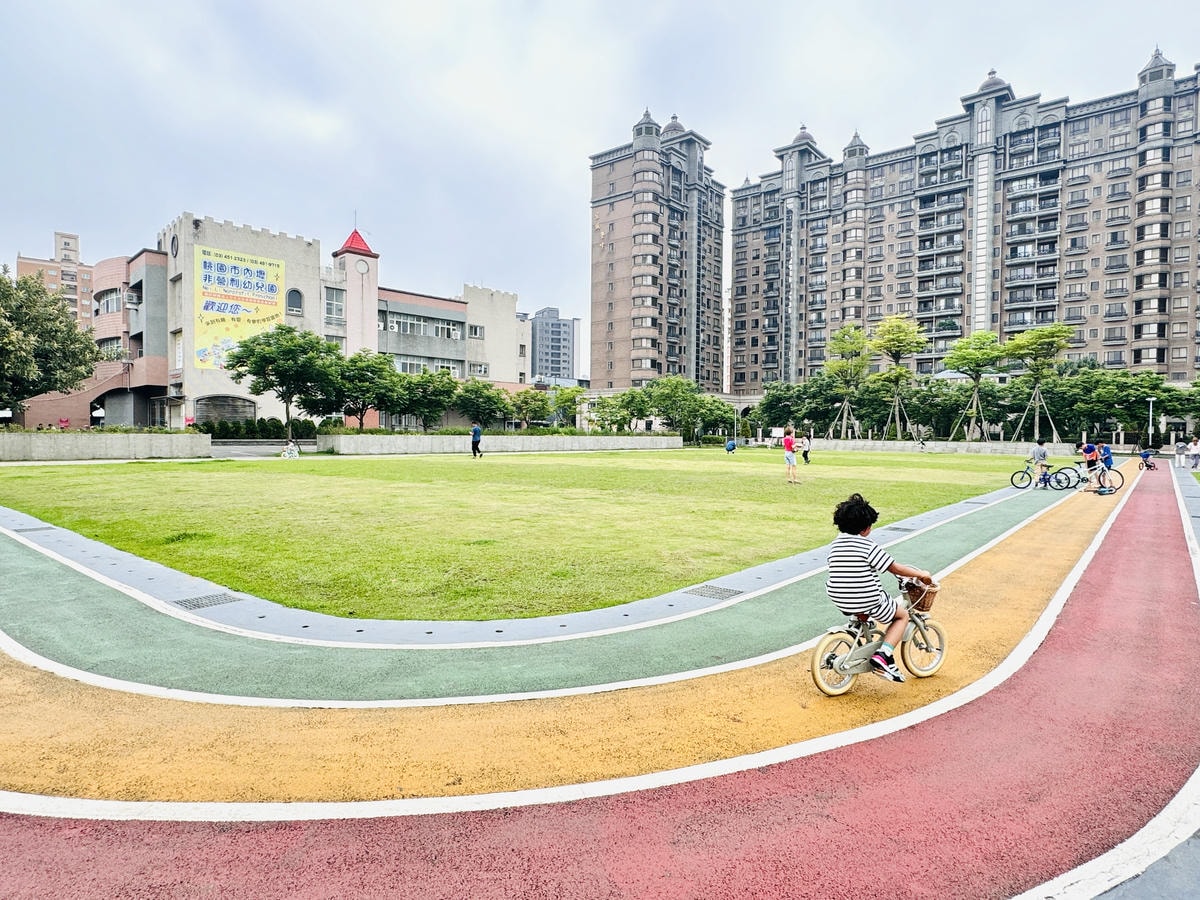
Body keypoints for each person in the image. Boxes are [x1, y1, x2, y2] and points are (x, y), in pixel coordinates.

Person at [825, 493, 934, 683]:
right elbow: (895, 567)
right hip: (866, 597)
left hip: (838, 596)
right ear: (866, 528)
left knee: (863, 604)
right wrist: (920, 574)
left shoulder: (836, 544)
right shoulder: (867, 545)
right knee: (902, 615)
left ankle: (864, 634)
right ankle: (884, 655)